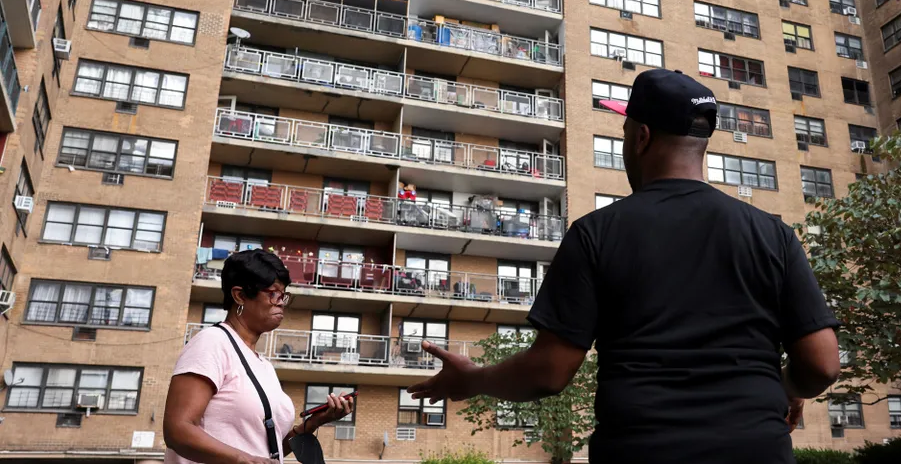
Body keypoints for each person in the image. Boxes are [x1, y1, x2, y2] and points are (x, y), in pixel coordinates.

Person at [409, 68, 842, 464]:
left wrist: (475, 379)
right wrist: (784, 387)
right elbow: (822, 365)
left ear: (641, 137)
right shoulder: (773, 234)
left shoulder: (596, 233)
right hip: (757, 451)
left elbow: (549, 372)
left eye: (624, 130)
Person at [164, 249, 355, 464]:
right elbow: (177, 430)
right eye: (273, 293)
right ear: (240, 295)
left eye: (284, 295)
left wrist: (312, 424)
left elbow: (265, 451)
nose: (281, 302)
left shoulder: (264, 366)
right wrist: (244, 460)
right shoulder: (212, 343)